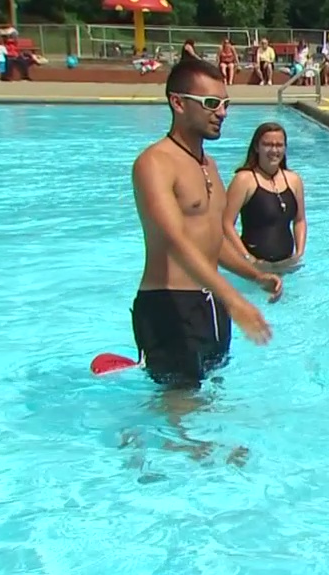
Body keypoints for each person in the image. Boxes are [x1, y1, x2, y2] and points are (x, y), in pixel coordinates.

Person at [131, 58, 282, 391]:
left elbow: (212, 240)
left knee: (210, 400)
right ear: (178, 103)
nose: (222, 112)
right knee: (179, 408)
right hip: (169, 305)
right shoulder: (154, 163)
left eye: (226, 104)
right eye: (212, 103)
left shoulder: (208, 164)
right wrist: (235, 298)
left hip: (210, 304)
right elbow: (177, 242)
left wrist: (254, 276)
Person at [222, 122, 306, 272]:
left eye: (279, 145)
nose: (274, 150)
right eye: (267, 144)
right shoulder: (244, 180)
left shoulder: (294, 180)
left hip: (287, 265)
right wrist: (248, 258)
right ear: (256, 147)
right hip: (254, 267)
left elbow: (300, 220)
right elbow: (226, 224)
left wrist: (299, 254)